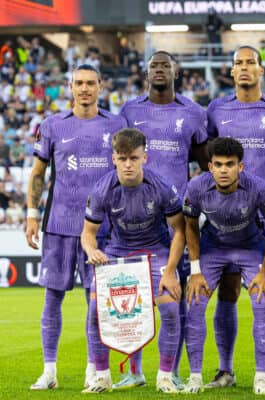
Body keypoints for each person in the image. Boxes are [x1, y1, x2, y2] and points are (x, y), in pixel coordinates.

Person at [26, 64, 127, 391]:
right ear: (70, 87)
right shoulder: (52, 125)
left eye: (90, 83)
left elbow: (127, 172)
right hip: (58, 225)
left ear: (101, 86)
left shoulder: (116, 124)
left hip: (101, 230)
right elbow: (38, 173)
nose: (84, 89)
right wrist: (31, 213)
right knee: (52, 298)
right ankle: (49, 371)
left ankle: (93, 369)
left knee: (96, 301)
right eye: (78, 83)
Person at [116, 50, 209, 390]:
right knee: (133, 300)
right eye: (154, 64)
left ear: (176, 71)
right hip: (134, 216)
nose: (159, 69)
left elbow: (204, 161)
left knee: (177, 296)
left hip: (176, 220)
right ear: (146, 71)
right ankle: (133, 370)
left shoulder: (194, 112)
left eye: (165, 65)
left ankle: (173, 370)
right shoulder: (129, 110)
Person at [205, 45, 265, 389]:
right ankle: (225, 371)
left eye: (250, 63)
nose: (244, 68)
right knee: (227, 290)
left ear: (261, 70)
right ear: (231, 71)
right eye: (238, 63)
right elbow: (207, 157)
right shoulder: (216, 110)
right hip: (224, 212)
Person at [81, 128, 185, 393]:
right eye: (123, 158)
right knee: (95, 313)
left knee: (170, 310)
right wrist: (92, 251)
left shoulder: (161, 186)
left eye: (134, 158)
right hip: (117, 251)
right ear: (113, 158)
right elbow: (88, 234)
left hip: (154, 251)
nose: (128, 164)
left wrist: (171, 271)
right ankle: (102, 377)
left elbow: (180, 231)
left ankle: (164, 377)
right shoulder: (103, 188)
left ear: (145, 158)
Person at [182, 137, 265, 394]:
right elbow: (190, 224)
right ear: (210, 167)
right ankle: (195, 377)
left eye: (230, 164)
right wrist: (194, 270)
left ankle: (261, 376)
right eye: (218, 165)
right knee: (194, 303)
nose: (224, 170)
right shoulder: (196, 187)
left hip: (251, 247)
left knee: (262, 301)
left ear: (241, 167)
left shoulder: (259, 188)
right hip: (214, 248)